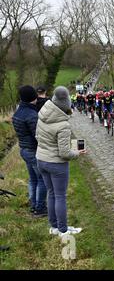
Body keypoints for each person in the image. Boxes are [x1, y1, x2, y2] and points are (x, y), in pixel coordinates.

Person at [36, 86, 85, 236]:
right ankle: (63, 230)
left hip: (41, 159)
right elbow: (64, 153)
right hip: (56, 164)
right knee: (60, 196)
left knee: (51, 193)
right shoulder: (63, 125)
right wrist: (77, 153)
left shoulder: (42, 114)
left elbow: (37, 137)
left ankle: (54, 227)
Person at [12, 85, 47, 217]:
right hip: (33, 151)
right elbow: (38, 135)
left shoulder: (18, 112)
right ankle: (40, 208)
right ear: (32, 98)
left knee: (33, 179)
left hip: (24, 149)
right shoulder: (31, 115)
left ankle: (34, 205)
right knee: (42, 179)